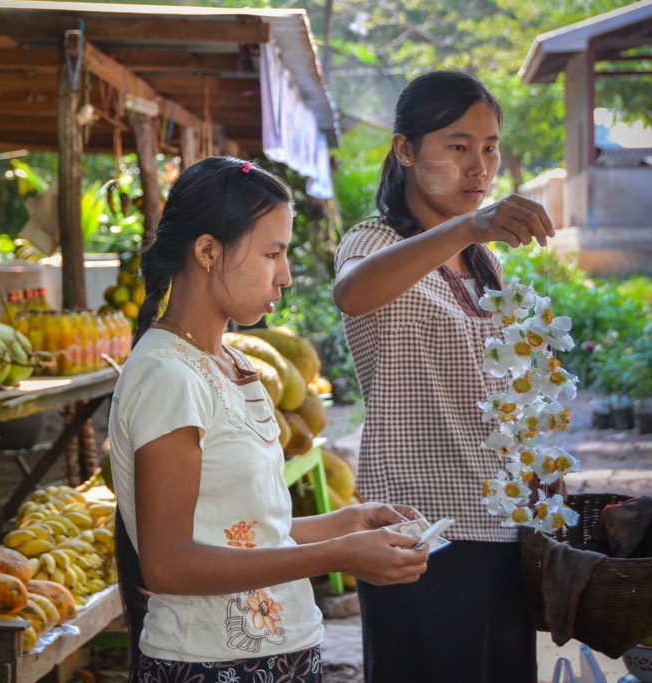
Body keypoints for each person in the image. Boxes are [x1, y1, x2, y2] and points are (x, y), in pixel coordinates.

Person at [108, 156, 429, 682]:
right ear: (208, 252)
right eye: (272, 253)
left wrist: (347, 523)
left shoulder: (233, 364)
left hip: (280, 650)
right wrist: (338, 554)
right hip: (210, 664)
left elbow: (244, 535)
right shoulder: (168, 376)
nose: (285, 275)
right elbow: (168, 565)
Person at [332, 71, 556, 683]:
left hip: (503, 526)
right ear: (406, 150)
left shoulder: (487, 264)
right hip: (420, 532)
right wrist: (466, 227)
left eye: (489, 147)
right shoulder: (374, 240)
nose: (478, 167)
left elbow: (504, 394)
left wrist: (538, 481)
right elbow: (353, 293)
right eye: (457, 147)